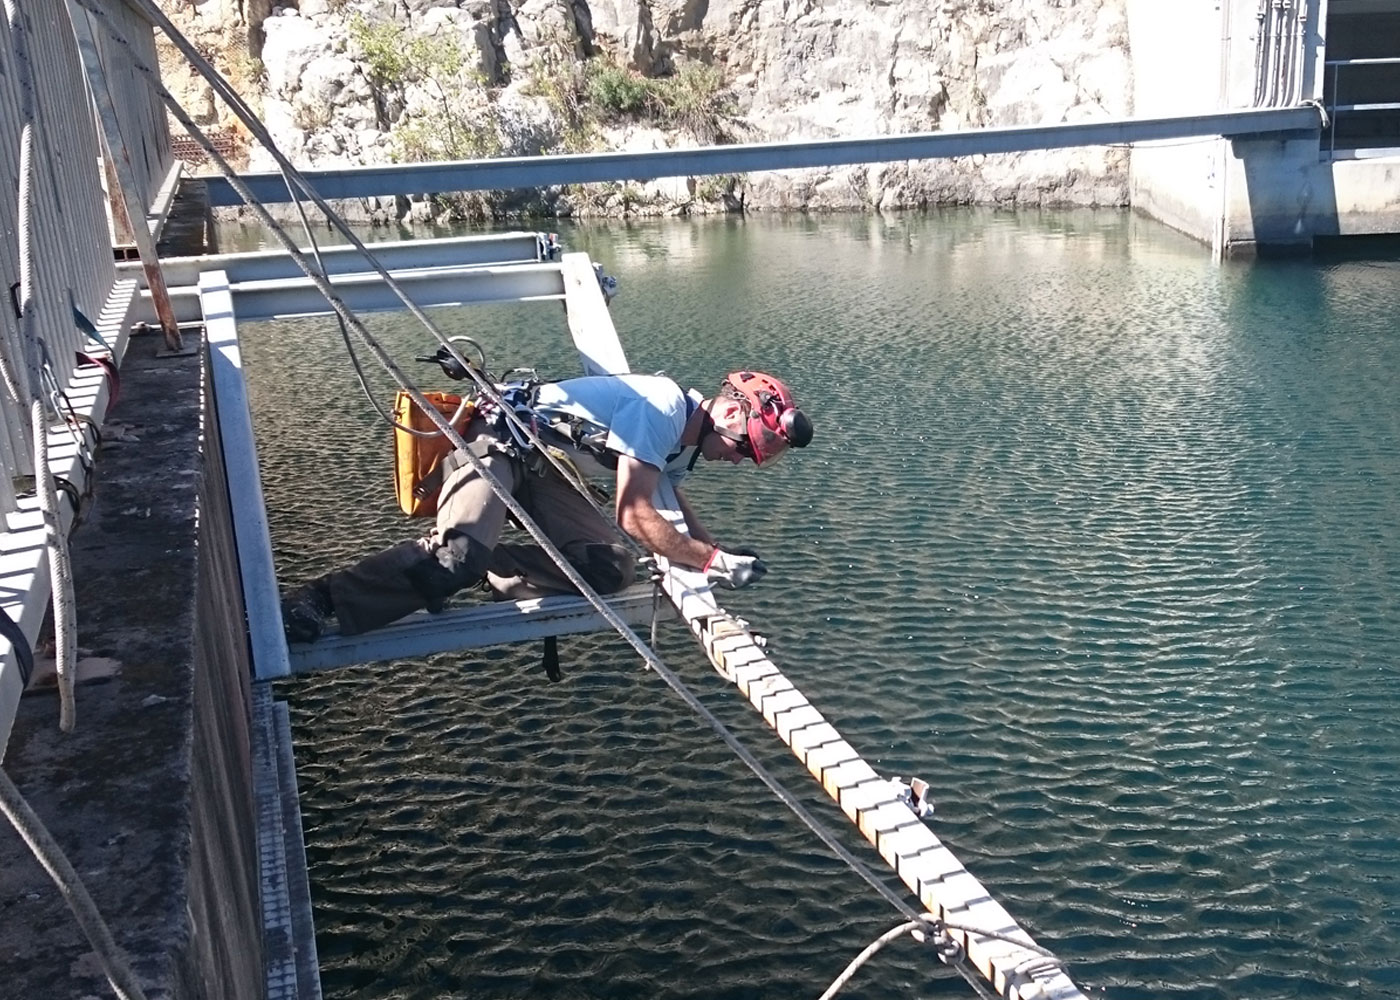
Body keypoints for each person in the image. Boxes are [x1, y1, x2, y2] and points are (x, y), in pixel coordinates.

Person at [280, 369, 813, 642]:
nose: (741, 462)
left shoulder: (683, 443)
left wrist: (710, 551)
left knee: (609, 568)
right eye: (745, 450)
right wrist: (711, 561)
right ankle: (322, 599)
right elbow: (634, 514)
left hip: (546, 471)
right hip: (502, 440)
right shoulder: (666, 409)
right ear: (728, 415)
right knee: (458, 554)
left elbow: (670, 502)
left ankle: (489, 569)